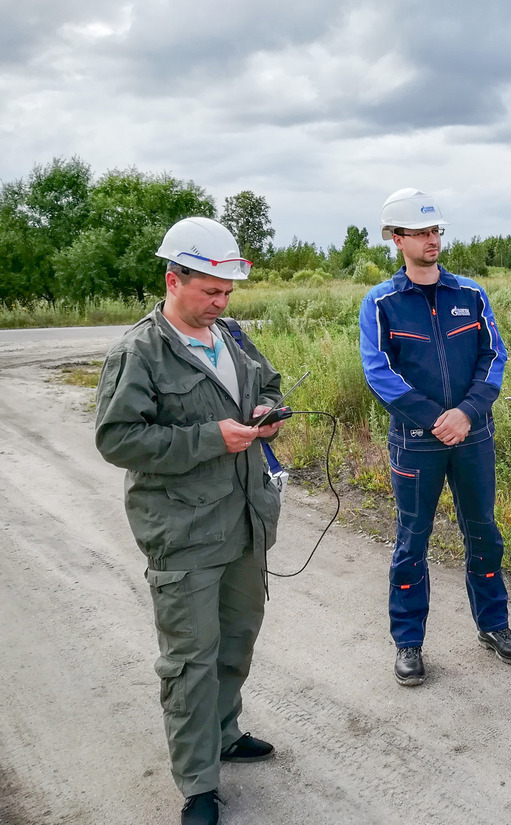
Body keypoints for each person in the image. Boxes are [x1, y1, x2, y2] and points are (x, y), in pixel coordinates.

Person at [95, 217, 285, 825]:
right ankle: (198, 783)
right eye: (210, 291)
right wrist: (210, 438)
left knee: (236, 643)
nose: (222, 303)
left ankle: (225, 734)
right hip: (183, 532)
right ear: (173, 279)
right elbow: (119, 438)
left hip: (246, 523)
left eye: (228, 292)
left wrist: (266, 412)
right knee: (190, 660)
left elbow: (267, 380)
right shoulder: (138, 351)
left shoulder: (230, 336)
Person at [359, 188, 511, 686]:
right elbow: (378, 371)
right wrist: (438, 418)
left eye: (436, 231)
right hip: (417, 440)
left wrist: (468, 413)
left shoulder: (469, 294)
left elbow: (493, 357)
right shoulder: (382, 302)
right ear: (397, 239)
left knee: (484, 534)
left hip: (473, 436)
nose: (433, 240)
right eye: (422, 233)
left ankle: (494, 626)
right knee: (413, 541)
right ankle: (408, 643)